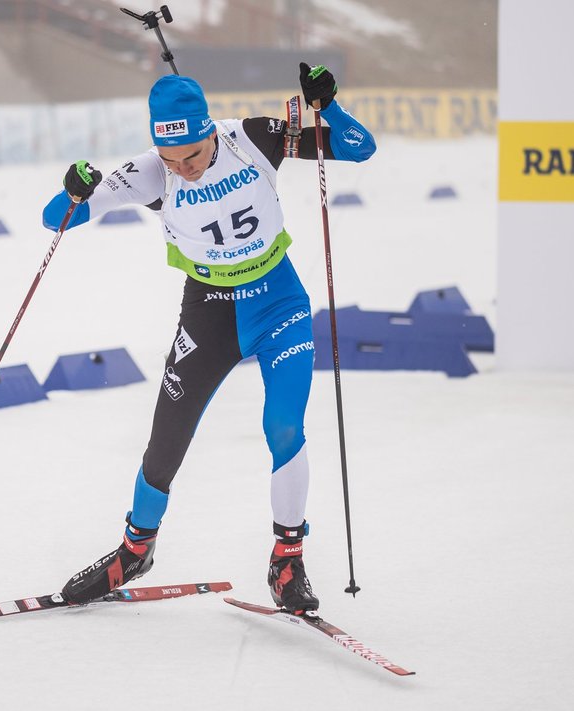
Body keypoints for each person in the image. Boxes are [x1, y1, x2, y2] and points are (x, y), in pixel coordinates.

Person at [40, 64, 375, 614]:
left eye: (192, 157)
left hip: (278, 305)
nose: (183, 172)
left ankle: (287, 559)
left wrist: (328, 106)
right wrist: (74, 190)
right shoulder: (152, 172)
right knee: (166, 436)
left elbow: (361, 149)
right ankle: (136, 549)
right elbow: (56, 218)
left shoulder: (255, 138)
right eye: (171, 162)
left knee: (284, 423)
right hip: (209, 313)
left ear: (209, 132)